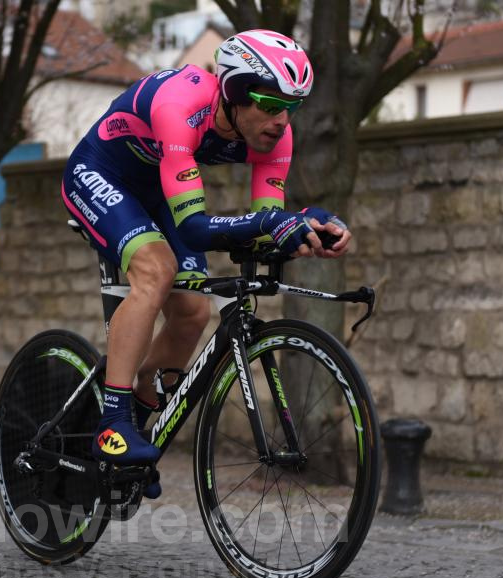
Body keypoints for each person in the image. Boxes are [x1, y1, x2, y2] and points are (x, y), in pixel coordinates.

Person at [61, 29, 351, 497]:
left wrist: (303, 230)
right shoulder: (181, 104)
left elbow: (262, 224)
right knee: (157, 270)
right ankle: (112, 423)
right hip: (100, 173)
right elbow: (196, 228)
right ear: (234, 91)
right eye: (270, 103)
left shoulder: (275, 136)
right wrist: (273, 224)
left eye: (292, 107)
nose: (282, 120)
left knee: (194, 310)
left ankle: (131, 423)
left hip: (156, 191)